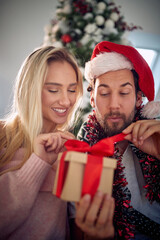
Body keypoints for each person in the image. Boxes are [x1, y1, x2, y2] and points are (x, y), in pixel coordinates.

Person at [0, 45, 115, 240]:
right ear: (30, 89)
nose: (66, 101)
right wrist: (38, 162)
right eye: (54, 90)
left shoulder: (70, 148)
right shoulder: (2, 136)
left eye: (71, 90)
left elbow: (72, 227)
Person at [77, 41, 160, 239]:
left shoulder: (156, 134)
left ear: (139, 99)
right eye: (104, 93)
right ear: (93, 100)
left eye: (124, 93)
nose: (114, 104)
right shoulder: (78, 152)